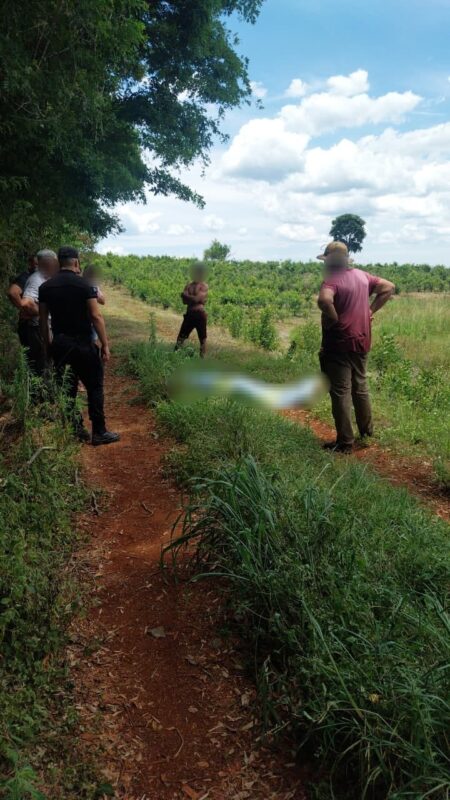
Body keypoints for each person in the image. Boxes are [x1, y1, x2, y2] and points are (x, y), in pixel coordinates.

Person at [317, 241, 395, 453]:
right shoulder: (363, 276)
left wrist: (332, 320)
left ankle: (345, 442)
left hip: (338, 343)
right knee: (360, 386)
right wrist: (370, 311)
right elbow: (388, 287)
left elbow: (325, 301)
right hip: (361, 340)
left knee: (341, 391)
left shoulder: (331, 281)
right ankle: (367, 432)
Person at [39, 246, 120, 447]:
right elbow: (95, 315)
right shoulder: (85, 285)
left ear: (59, 262)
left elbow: (42, 321)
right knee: (94, 386)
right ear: (76, 262)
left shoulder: (46, 287)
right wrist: (105, 345)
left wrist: (49, 347)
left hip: (60, 343)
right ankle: (99, 432)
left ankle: (76, 429)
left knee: (68, 388)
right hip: (83, 344)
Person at [18, 249, 59, 375]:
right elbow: (26, 302)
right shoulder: (36, 280)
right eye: (55, 262)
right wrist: (42, 312)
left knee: (46, 363)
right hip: (37, 329)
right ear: (49, 262)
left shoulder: (45, 278)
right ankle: (42, 393)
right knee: (42, 365)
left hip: (41, 328)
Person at [175, 261, 208, 357]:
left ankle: (202, 362)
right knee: (181, 338)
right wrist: (195, 299)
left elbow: (190, 298)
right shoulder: (200, 286)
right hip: (193, 314)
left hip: (196, 314)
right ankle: (175, 357)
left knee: (202, 339)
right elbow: (186, 301)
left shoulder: (199, 286)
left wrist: (186, 295)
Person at [7, 253, 38, 349]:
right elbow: (13, 292)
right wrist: (24, 309)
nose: (37, 266)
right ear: (30, 264)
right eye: (36, 264)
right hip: (30, 326)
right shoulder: (26, 277)